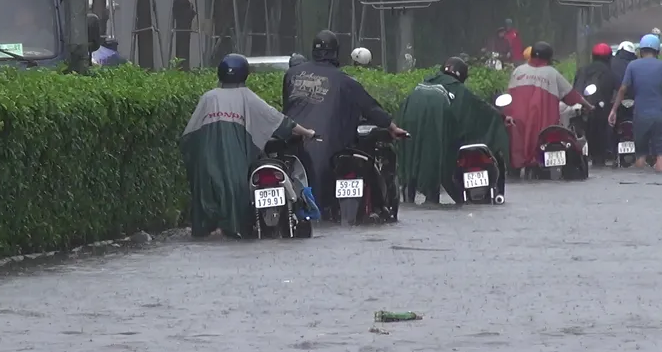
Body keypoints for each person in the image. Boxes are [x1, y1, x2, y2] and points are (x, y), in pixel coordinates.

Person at [181, 54, 316, 238]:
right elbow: (280, 121)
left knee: (205, 201)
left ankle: (207, 228)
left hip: (206, 166)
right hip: (234, 167)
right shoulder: (248, 97)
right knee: (238, 204)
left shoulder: (208, 98)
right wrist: (307, 132)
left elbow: (188, 136)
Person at [283, 30, 408, 218]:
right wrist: (392, 127)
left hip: (293, 143)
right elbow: (370, 108)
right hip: (330, 146)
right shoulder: (345, 81)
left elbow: (287, 107)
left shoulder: (292, 75)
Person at [397, 56, 510, 203]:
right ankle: (432, 196)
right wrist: (501, 118)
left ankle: (409, 194)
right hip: (437, 126)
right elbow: (480, 109)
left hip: (411, 117)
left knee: (412, 154)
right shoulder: (458, 89)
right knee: (437, 157)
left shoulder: (423, 84)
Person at [501, 41, 594, 171]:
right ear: (548, 58)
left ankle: (518, 167)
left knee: (517, 144)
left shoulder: (518, 71)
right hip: (543, 122)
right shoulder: (551, 73)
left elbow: (509, 96)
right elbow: (572, 96)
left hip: (519, 121)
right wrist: (589, 106)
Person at [607, 34, 662, 173]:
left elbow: (622, 89)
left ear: (640, 51)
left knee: (640, 155)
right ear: (658, 51)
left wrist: (614, 110)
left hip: (640, 115)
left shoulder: (632, 66)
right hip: (659, 115)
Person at [574, 43, 619, 166]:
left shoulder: (582, 70)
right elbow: (616, 92)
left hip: (581, 109)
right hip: (601, 112)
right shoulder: (609, 72)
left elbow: (575, 88)